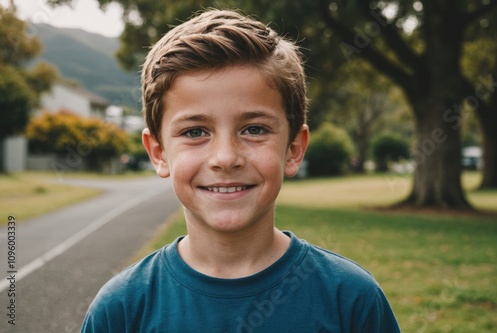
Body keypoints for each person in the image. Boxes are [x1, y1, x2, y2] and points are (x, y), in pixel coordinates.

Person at [81, 9, 401, 333]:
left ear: (293, 149)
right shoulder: (120, 310)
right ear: (158, 152)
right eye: (195, 132)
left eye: (254, 129)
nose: (225, 157)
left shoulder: (351, 301)